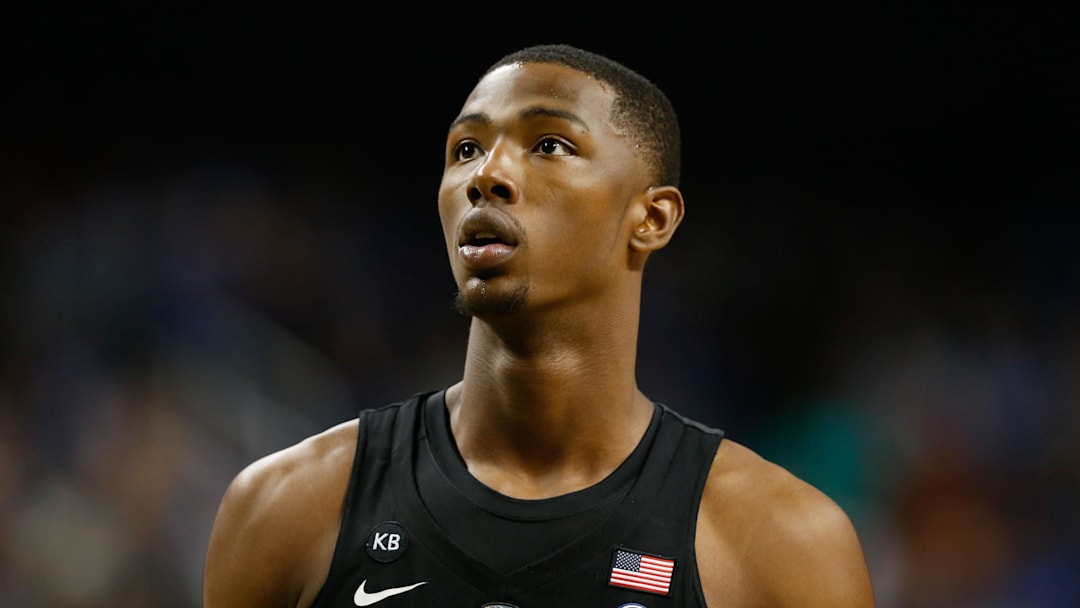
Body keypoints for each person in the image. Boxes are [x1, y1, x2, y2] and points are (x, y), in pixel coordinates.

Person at [203, 43, 876, 607]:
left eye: (549, 144)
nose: (487, 175)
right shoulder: (287, 506)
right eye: (465, 148)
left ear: (653, 218)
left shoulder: (783, 543)